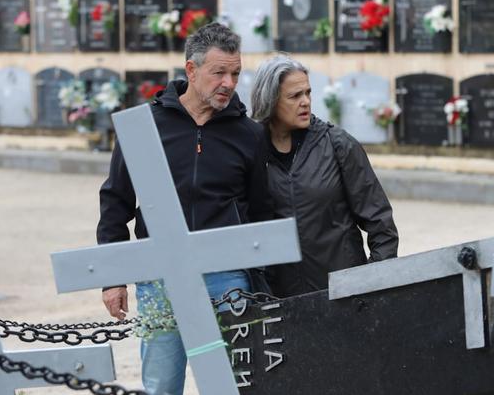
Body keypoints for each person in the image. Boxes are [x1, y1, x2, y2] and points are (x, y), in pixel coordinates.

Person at [96, 23, 270, 395]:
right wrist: (113, 277)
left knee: (231, 385)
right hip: (160, 277)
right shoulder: (144, 126)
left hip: (227, 277)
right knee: (161, 384)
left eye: (235, 73)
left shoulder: (250, 135)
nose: (228, 82)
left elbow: (261, 209)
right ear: (191, 71)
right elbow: (116, 200)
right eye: (218, 72)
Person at [249, 55, 399, 297]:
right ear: (270, 100)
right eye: (295, 96)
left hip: (344, 295)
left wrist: (371, 284)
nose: (306, 102)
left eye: (308, 93)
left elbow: (381, 225)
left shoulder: (338, 145)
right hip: (284, 300)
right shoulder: (252, 152)